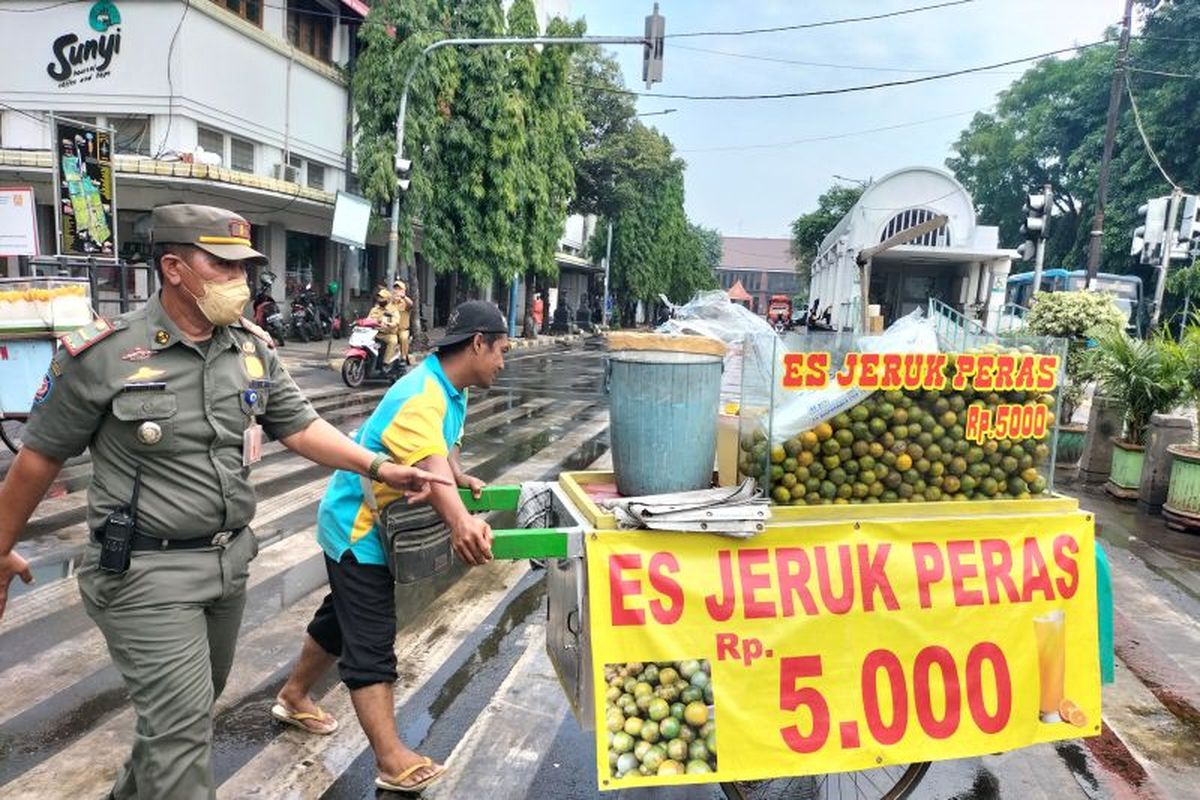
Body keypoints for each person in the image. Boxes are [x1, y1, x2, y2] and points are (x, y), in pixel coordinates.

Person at [0, 204, 448, 800]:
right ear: (174, 269)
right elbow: (37, 461)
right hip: (142, 572)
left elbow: (299, 425)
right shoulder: (103, 355)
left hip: (227, 566)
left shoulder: (250, 349)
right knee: (182, 737)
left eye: (245, 267)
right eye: (222, 265)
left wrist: (380, 465)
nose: (240, 280)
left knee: (174, 727)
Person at [272, 300, 509, 794]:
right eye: (501, 351)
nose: (503, 362)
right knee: (371, 641)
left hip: (374, 522)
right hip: (359, 528)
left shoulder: (450, 389)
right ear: (478, 343)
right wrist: (462, 523)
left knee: (342, 618)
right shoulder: (422, 394)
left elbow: (441, 452)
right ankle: (391, 759)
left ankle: (295, 695)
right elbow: (430, 461)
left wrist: (459, 475)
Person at [368, 287, 400, 365]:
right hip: (375, 333)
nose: (379, 299)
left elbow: (396, 322)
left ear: (387, 299)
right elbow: (368, 319)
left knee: (393, 341)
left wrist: (389, 324)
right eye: (379, 297)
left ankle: (386, 363)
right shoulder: (374, 309)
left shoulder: (393, 310)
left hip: (387, 334)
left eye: (382, 298)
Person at [391, 279, 415, 364]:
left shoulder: (405, 302)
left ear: (403, 290)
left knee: (403, 337)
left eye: (399, 289)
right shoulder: (390, 302)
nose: (397, 291)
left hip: (402, 329)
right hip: (390, 329)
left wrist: (403, 297)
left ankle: (403, 358)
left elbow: (411, 304)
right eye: (395, 289)